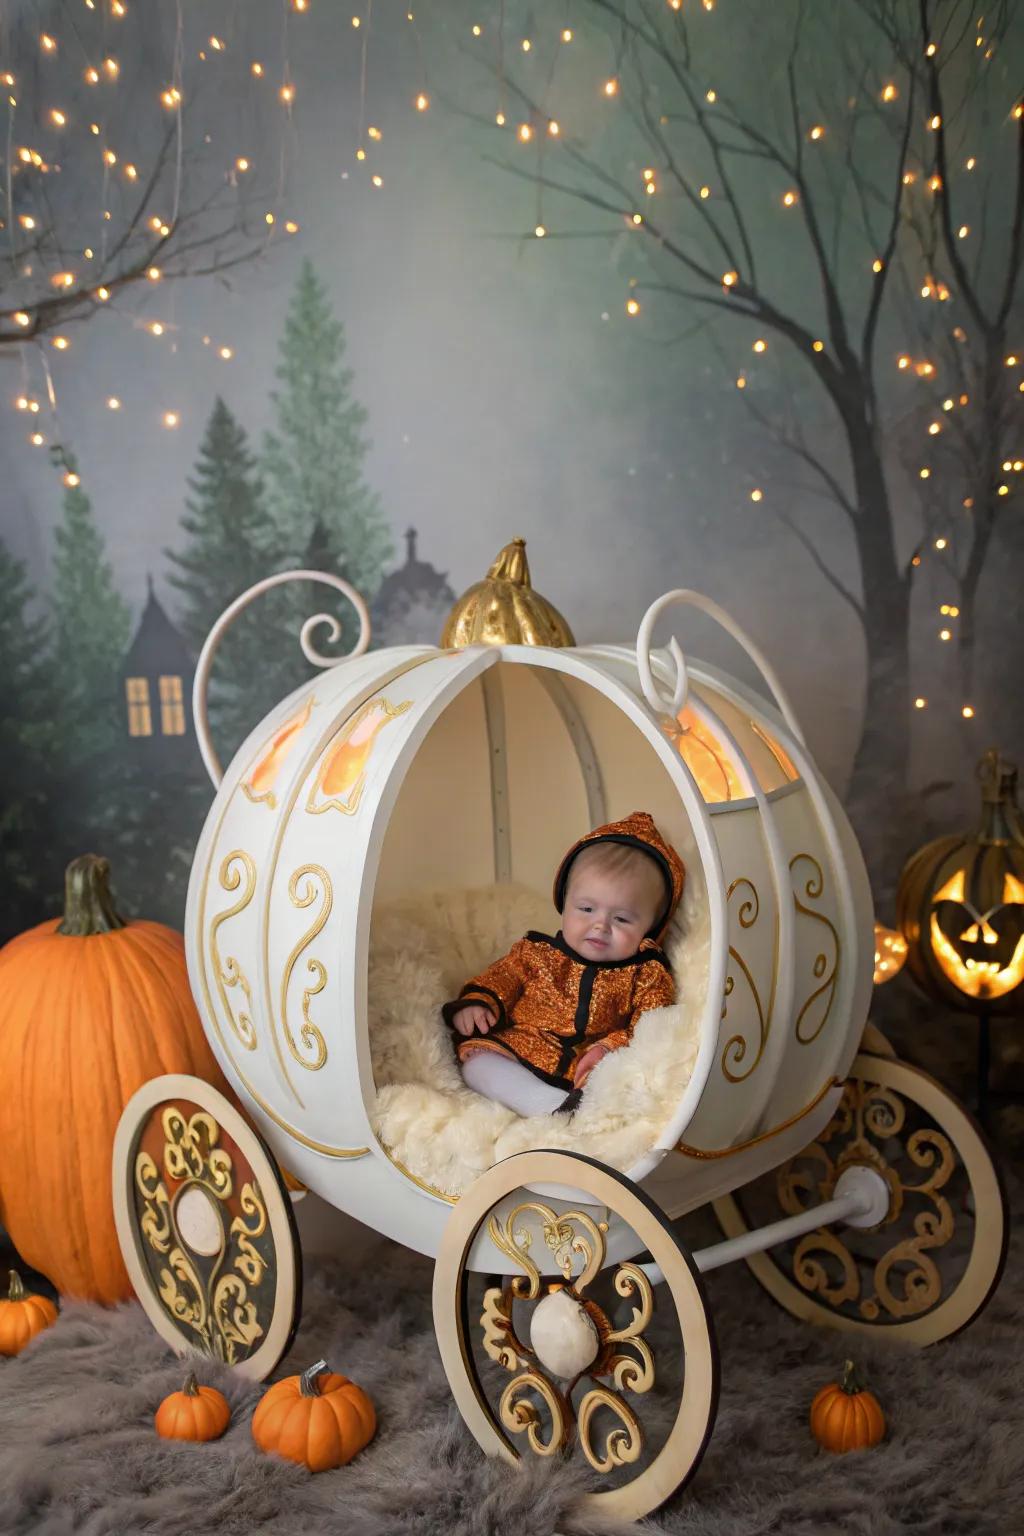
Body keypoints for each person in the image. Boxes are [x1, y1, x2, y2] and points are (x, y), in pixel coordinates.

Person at [442, 811, 685, 1116]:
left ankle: (574, 1109)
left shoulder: (646, 974)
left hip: (588, 1063)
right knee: (477, 1064)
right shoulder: (537, 952)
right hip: (524, 1045)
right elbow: (504, 976)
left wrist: (610, 1046)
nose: (600, 926)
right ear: (564, 903)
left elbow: (650, 1024)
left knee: (622, 1083)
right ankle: (544, 1104)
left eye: (621, 919)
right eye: (586, 908)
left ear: (650, 929)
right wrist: (480, 1003)